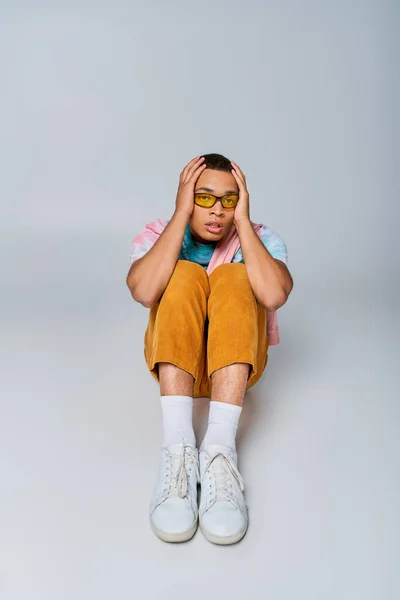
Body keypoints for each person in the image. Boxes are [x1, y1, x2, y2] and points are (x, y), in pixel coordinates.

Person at [126, 153, 293, 545]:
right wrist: (180, 214)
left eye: (228, 200)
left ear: (241, 202)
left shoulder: (261, 238)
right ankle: (178, 450)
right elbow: (144, 291)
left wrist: (245, 226)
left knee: (236, 278)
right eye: (204, 197)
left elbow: (273, 294)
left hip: (233, 374)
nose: (217, 210)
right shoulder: (159, 233)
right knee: (182, 273)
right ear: (187, 196)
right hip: (176, 368)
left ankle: (219, 450)